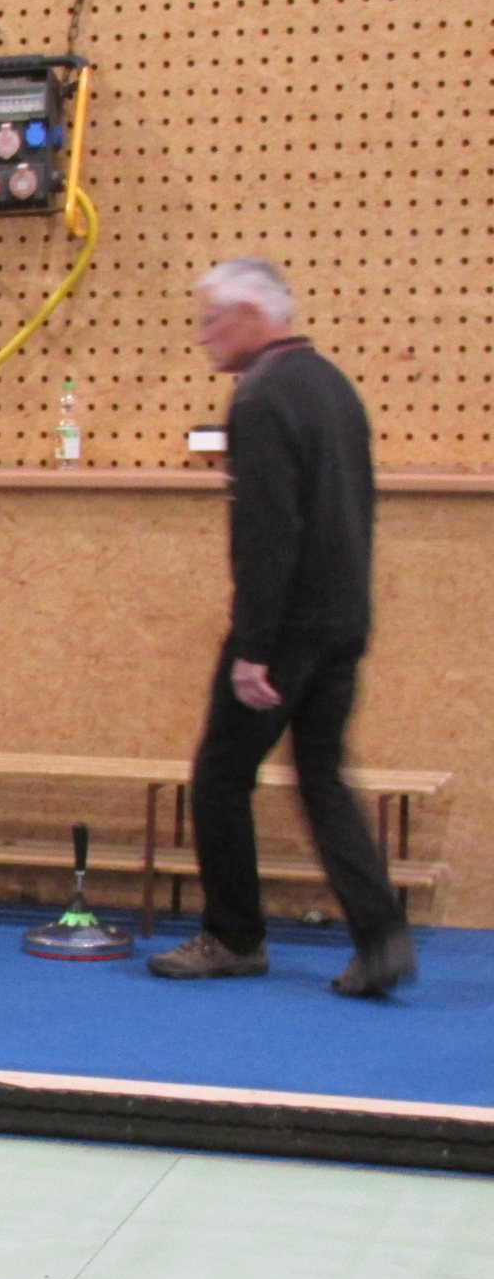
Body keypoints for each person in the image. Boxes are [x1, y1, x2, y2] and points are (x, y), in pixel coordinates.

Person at [147, 258, 415, 997]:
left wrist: (254, 647)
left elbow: (268, 534)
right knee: (323, 776)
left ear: (254, 316)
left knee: (219, 778)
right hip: (343, 617)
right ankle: (382, 938)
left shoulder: (262, 398)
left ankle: (234, 937)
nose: (203, 335)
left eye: (211, 319)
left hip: (285, 629)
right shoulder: (332, 386)